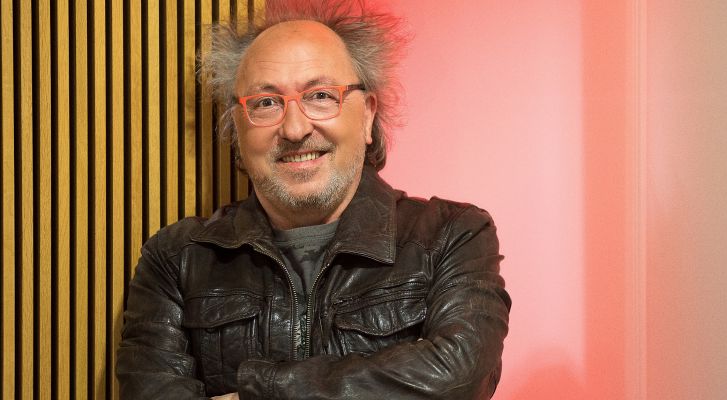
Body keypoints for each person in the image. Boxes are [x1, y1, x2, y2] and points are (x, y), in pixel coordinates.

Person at [116, 1, 511, 399]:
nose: (294, 128)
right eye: (265, 103)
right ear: (237, 128)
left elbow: (459, 378)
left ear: (368, 115)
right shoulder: (176, 259)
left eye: (320, 95)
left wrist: (263, 391)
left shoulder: (451, 237)